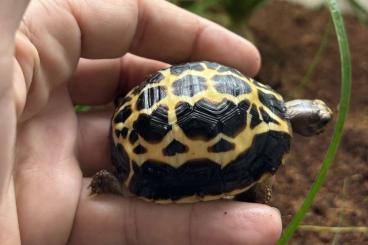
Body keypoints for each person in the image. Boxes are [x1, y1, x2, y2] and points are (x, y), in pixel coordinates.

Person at [0, 0, 282, 244]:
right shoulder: (263, 155)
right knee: (254, 197)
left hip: (137, 111)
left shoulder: (249, 92)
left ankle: (123, 179)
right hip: (147, 139)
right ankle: (120, 183)